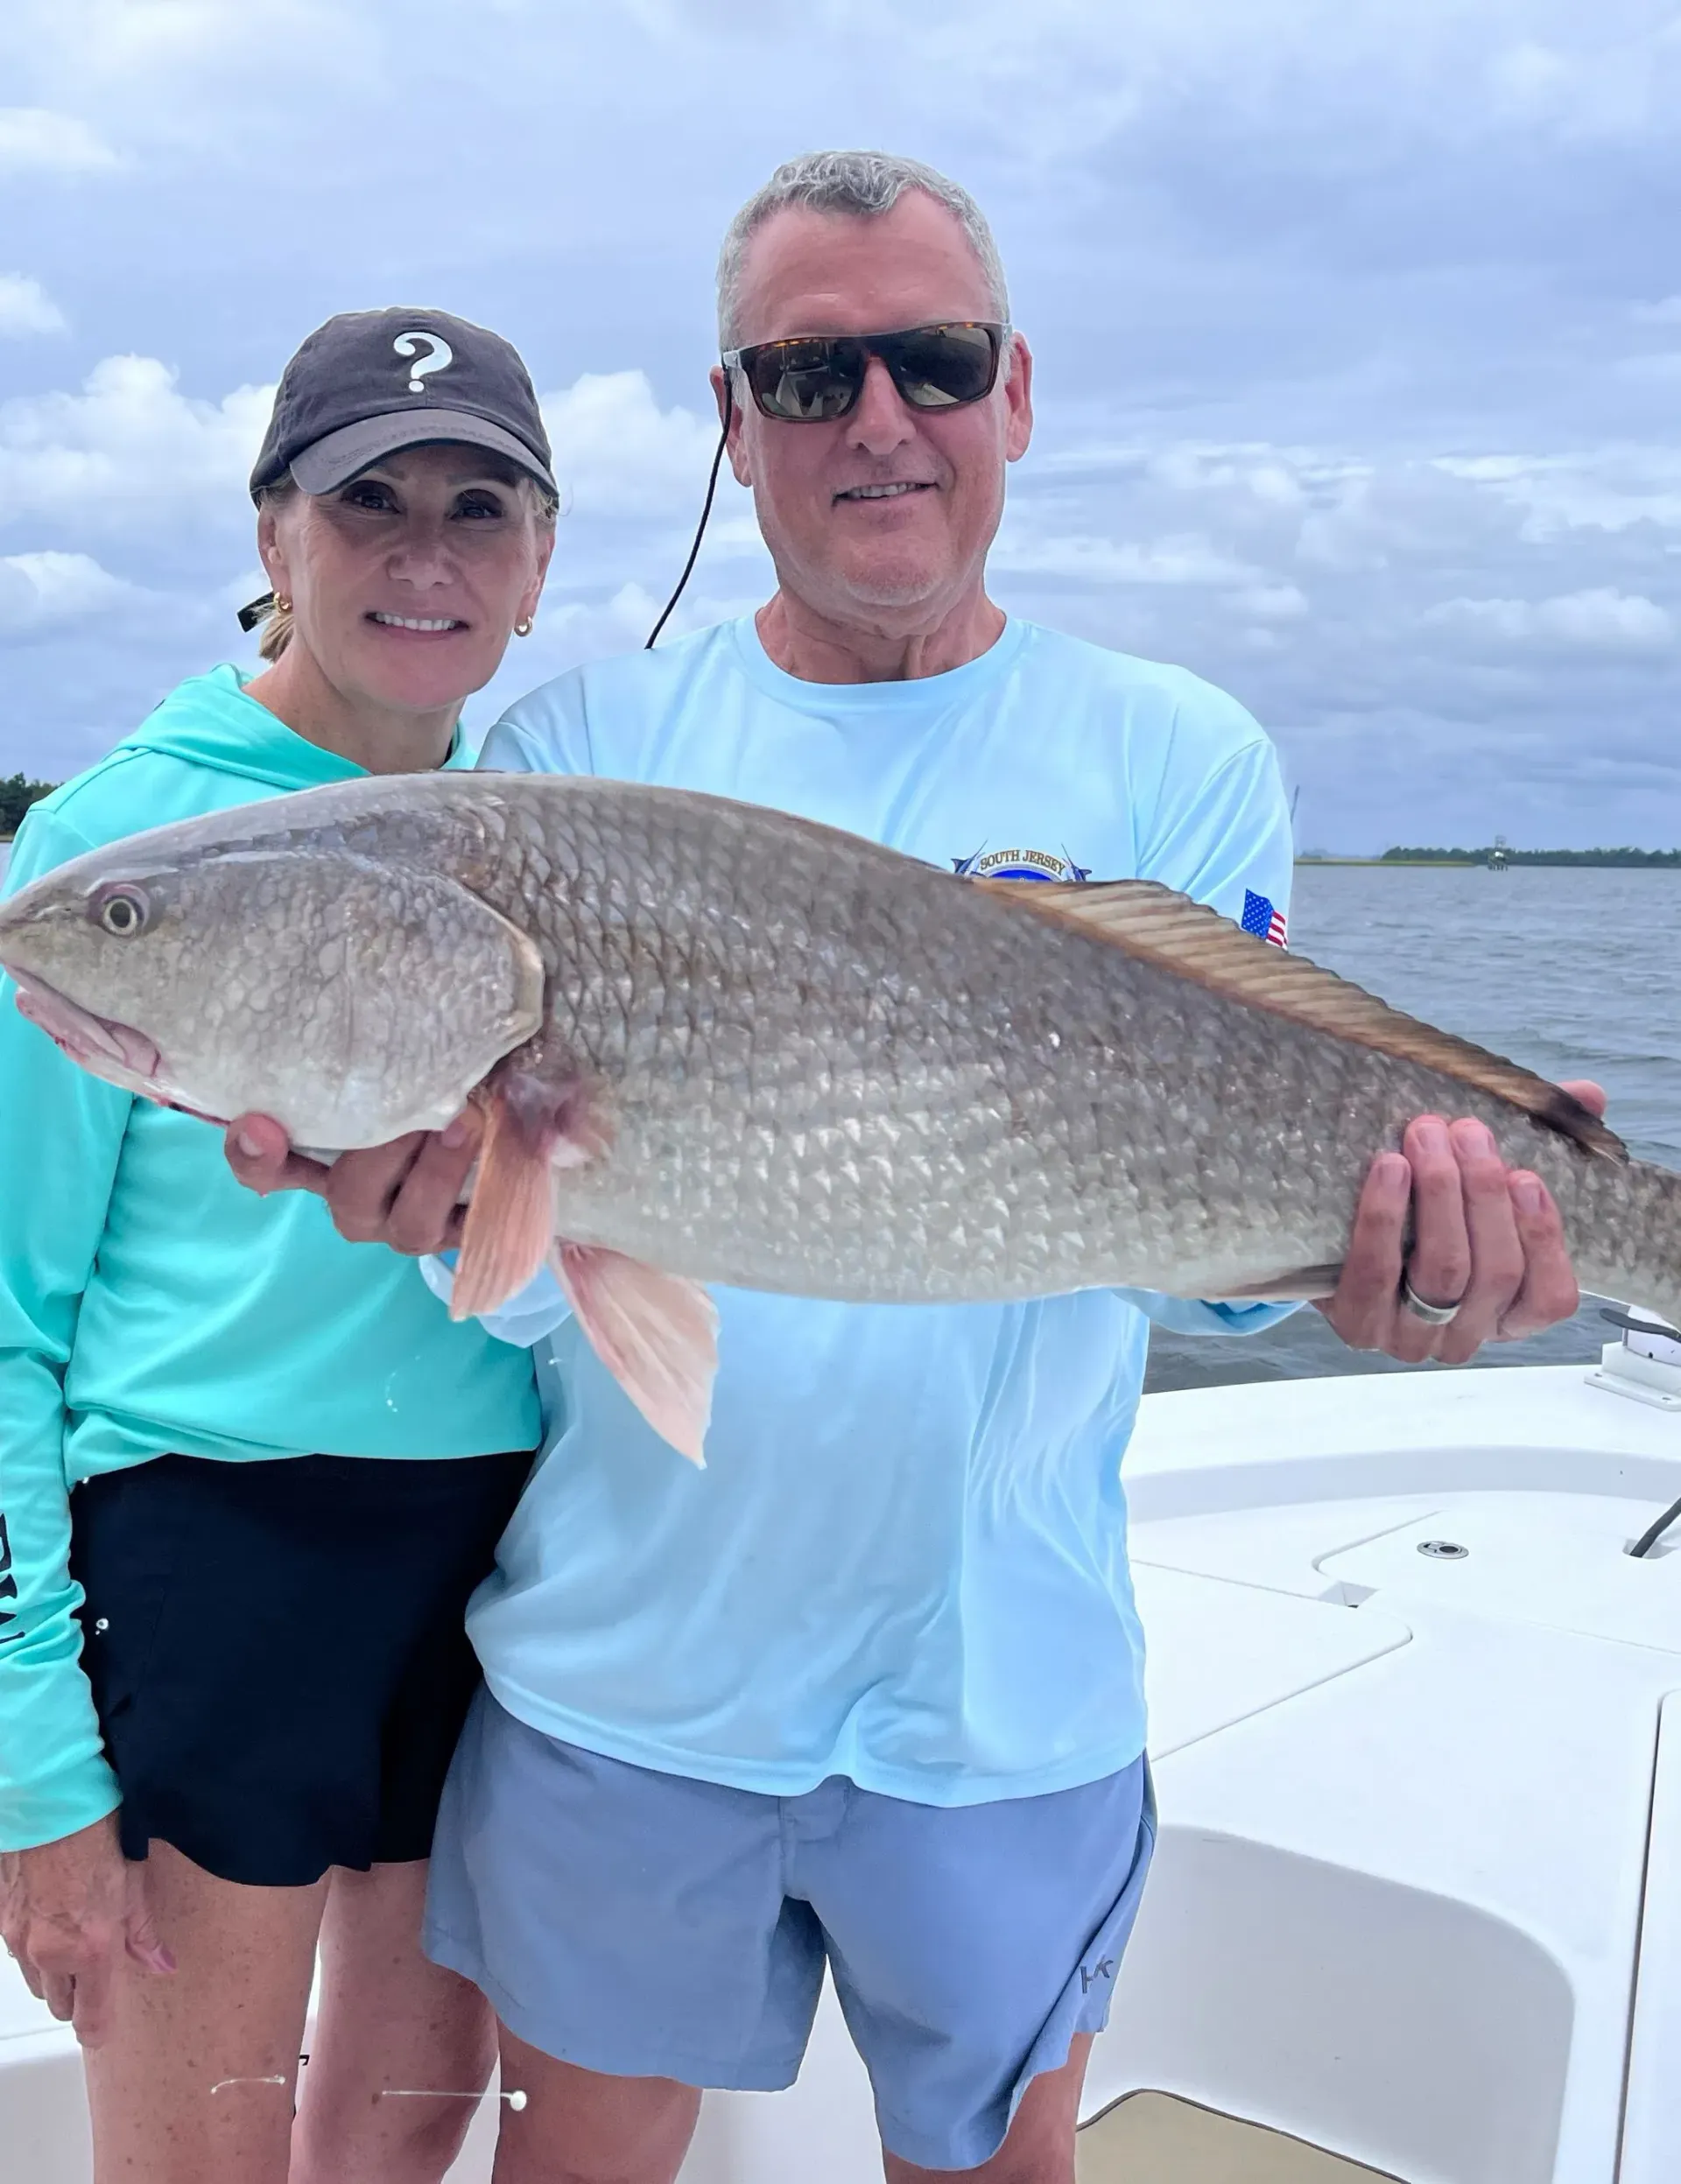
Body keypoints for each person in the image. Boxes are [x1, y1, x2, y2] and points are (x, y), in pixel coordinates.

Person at [231, 156, 1600, 2184]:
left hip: (1004, 1694)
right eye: (806, 375)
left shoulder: (1178, 747)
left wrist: (1376, 1269)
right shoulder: (578, 751)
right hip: (628, 1676)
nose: (877, 417)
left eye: (931, 360)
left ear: (1015, 391)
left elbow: (1203, 1247)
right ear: (730, 419)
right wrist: (456, 1218)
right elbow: (543, 1278)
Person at [0, 306, 559, 2184]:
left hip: (495, 1557)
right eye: (365, 501)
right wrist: (32, 1765)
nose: (424, 553)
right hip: (207, 1551)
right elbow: (0, 1325)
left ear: (542, 558)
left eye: (478, 506)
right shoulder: (113, 867)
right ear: (272, 538)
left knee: (392, 2153)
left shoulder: (556, 836)